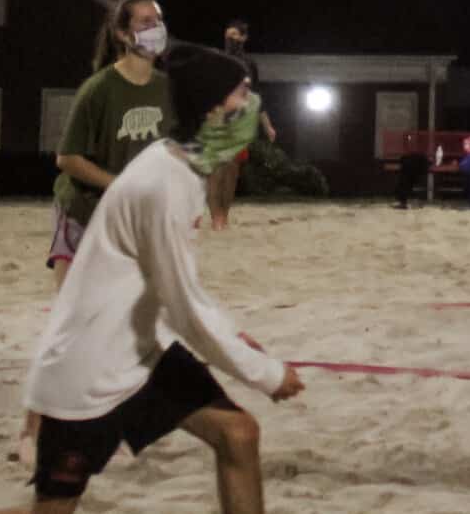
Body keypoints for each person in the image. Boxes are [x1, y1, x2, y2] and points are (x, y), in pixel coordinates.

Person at [18, 43, 303, 513]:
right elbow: (185, 306)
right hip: (87, 372)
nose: (251, 105)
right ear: (213, 108)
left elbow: (179, 287)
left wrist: (231, 335)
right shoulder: (163, 183)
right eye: (242, 93)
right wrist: (267, 375)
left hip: (142, 353)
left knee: (238, 434)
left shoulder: (178, 164)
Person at [51, 0, 176, 285]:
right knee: (74, 308)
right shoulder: (98, 89)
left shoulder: (167, 89)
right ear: (122, 33)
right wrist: (118, 184)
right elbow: (67, 158)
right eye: (146, 21)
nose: (156, 27)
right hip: (84, 210)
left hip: (134, 213)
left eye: (158, 20)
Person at [205, 20, 277, 231]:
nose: (231, 40)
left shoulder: (249, 64)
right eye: (228, 36)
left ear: (244, 38)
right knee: (217, 169)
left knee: (232, 170)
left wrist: (268, 125)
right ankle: (215, 218)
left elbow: (256, 97)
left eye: (235, 36)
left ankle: (224, 217)